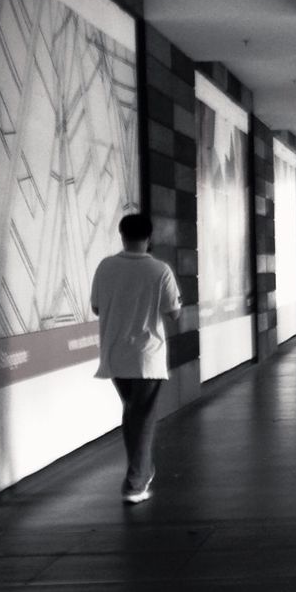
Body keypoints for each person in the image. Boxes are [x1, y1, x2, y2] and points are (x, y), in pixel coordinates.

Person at [89, 213, 183, 504]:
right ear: (149, 237)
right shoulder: (160, 270)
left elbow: (96, 307)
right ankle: (135, 482)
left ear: (122, 235)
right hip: (147, 356)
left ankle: (142, 471)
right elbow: (173, 311)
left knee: (133, 414)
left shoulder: (106, 267)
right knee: (141, 417)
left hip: (115, 355)